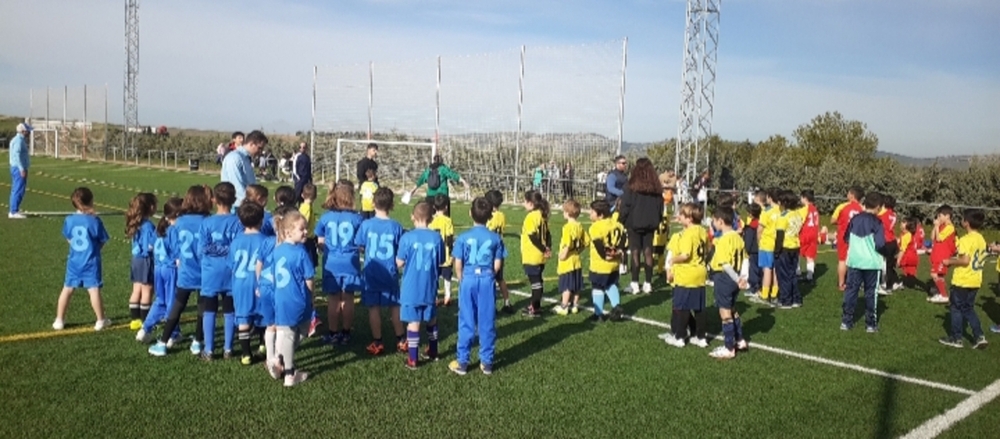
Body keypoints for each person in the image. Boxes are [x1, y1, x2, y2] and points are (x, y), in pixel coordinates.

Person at [148, 185, 212, 357]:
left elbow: (175, 246)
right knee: (202, 307)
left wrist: (179, 258)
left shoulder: (180, 222)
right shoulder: (208, 220)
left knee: (177, 306)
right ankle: (198, 342)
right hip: (205, 271)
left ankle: (163, 342)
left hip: (186, 271)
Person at [449, 197, 506, 376]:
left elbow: (457, 263)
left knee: (466, 320)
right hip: (487, 279)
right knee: (487, 320)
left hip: (468, 279)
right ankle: (487, 363)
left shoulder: (464, 237)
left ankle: (463, 362)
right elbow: (497, 265)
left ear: (469, 213)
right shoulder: (495, 238)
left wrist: (461, 278)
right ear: (490, 216)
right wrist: (489, 276)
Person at [52, 187, 112, 331]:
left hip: (74, 261)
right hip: (91, 261)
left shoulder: (69, 219)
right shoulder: (94, 221)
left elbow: (68, 237)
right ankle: (100, 320)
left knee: (67, 289)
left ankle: (59, 320)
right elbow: (103, 239)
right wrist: (95, 249)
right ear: (91, 201)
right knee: (93, 290)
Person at [355, 187, 406, 355]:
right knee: (394, 306)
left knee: (374, 308)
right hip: (390, 271)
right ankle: (401, 339)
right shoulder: (396, 226)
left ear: (372, 203)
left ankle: (378, 341)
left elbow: (360, 246)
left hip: (372, 272)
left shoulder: (366, 224)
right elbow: (401, 249)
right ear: (392, 205)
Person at [396, 202, 445, 369]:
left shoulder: (407, 237)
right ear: (431, 219)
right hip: (429, 285)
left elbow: (400, 262)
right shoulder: (437, 237)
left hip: (411, 287)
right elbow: (441, 260)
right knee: (431, 318)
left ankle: (413, 359)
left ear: (412, 217)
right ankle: (433, 351)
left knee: (413, 321)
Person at [317, 180, 364, 346]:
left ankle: (333, 332)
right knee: (348, 298)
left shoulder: (325, 217)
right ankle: (346, 333)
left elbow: (321, 242)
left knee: (333, 299)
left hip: (332, 263)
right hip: (350, 262)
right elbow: (361, 244)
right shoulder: (357, 219)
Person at [198, 182, 242, 360]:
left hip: (211, 272)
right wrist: (228, 250)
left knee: (210, 309)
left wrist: (217, 249)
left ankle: (209, 350)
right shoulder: (238, 223)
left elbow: (203, 248)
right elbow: (238, 247)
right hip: (231, 271)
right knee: (229, 309)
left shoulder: (207, 223)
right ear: (233, 199)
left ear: (214, 199)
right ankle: (228, 348)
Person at [271, 210, 314, 386]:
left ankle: (279, 358)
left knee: (300, 331)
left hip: (281, 298)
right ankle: (289, 374)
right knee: (292, 334)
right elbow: (309, 278)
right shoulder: (300, 252)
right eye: (301, 229)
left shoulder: (278, 250)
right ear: (288, 232)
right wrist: (311, 298)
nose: (305, 232)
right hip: (296, 299)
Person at [229, 202, 274, 365]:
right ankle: (263, 345)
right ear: (262, 220)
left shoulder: (236, 241)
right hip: (260, 283)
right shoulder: (266, 240)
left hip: (240, 285)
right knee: (263, 314)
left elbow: (232, 265)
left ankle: (246, 354)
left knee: (243, 318)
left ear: (240, 221)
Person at [938, 209, 988, 348]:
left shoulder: (966, 239)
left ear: (966, 222)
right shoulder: (981, 239)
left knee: (956, 308)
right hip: (975, 279)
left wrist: (950, 262)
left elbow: (965, 260)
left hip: (963, 280)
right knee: (968, 308)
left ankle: (956, 338)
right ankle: (979, 336)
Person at [137, 198, 183, 345]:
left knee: (160, 301)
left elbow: (150, 246)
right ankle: (173, 334)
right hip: (170, 270)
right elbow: (177, 255)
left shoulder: (159, 228)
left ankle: (145, 329)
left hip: (158, 269)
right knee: (172, 303)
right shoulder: (174, 231)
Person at [663, 203, 709, 348]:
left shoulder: (688, 234)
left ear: (689, 218)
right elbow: (708, 249)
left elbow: (685, 255)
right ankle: (701, 337)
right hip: (700, 273)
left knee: (682, 307)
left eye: (682, 215)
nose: (680, 218)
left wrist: (672, 260)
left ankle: (680, 337)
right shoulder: (702, 231)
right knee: (699, 308)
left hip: (687, 274)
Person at [708, 205, 750, 359]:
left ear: (720, 221)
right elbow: (745, 258)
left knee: (724, 312)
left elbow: (725, 263)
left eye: (714, 221)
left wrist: (738, 278)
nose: (713, 223)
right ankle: (740, 340)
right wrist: (743, 277)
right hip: (735, 278)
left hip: (725, 277)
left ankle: (729, 347)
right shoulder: (738, 237)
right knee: (732, 308)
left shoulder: (724, 240)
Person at [618, 157, 664, 295]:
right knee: (648, 252)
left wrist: (622, 219)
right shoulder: (656, 188)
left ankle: (635, 283)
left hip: (634, 223)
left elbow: (625, 206)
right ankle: (648, 283)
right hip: (651, 223)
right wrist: (658, 220)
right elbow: (660, 207)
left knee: (635, 252)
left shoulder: (630, 187)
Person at [840, 192, 885, 332]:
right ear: (878, 207)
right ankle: (870, 324)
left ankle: (846, 322)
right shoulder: (877, 222)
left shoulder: (854, 219)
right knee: (871, 293)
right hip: (871, 263)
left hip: (854, 261)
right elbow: (880, 244)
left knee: (851, 291)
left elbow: (846, 238)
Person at [587, 199, 626, 322]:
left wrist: (605, 256)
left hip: (600, 264)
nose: (590, 214)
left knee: (597, 287)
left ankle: (598, 314)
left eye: (592, 212)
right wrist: (618, 252)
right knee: (611, 284)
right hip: (614, 264)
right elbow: (624, 239)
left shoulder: (595, 227)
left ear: (601, 215)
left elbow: (599, 246)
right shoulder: (618, 225)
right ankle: (616, 306)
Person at [125, 193, 158, 331]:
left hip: (135, 260)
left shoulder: (135, 222)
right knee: (147, 290)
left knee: (136, 289)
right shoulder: (149, 226)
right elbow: (151, 245)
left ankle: (135, 320)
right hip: (145, 260)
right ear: (151, 207)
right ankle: (146, 322)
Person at [520, 190, 552, 317]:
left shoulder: (531, 216)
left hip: (532, 255)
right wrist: (548, 247)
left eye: (525, 201)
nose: (523, 204)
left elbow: (532, 236)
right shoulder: (542, 216)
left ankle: (534, 307)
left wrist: (544, 249)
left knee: (535, 283)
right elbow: (548, 234)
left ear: (531, 203)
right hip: (540, 256)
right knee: (538, 281)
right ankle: (536, 306)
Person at [554, 200, 588, 315]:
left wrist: (562, 255)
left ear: (568, 213)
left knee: (567, 285)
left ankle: (564, 306)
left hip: (568, 261)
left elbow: (567, 244)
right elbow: (586, 242)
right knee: (577, 285)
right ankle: (575, 305)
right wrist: (579, 251)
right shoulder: (580, 226)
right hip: (576, 259)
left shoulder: (567, 227)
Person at [221, 130, 266, 209]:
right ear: (251, 144)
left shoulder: (245, 158)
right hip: (238, 207)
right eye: (259, 148)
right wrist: (249, 205)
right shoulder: (235, 158)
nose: (261, 152)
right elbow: (236, 185)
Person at [485, 189, 513, 313]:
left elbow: (487, 232)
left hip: (490, 251)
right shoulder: (502, 215)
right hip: (500, 249)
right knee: (500, 278)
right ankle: (507, 302)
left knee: (490, 277)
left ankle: (492, 305)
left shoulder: (490, 217)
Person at [774, 190, 804, 309]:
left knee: (784, 275)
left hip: (785, 248)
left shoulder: (783, 216)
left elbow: (780, 235)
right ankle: (796, 298)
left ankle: (786, 300)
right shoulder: (797, 215)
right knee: (792, 274)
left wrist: (776, 251)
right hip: (795, 246)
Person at [752, 189, 780, 306]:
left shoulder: (766, 212)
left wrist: (759, 242)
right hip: (777, 243)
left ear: (769, 198)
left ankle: (764, 294)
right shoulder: (780, 211)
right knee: (775, 270)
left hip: (766, 243)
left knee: (767, 269)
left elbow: (760, 230)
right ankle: (774, 294)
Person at [834, 186, 865, 291]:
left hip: (844, 235)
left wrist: (842, 222)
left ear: (852, 195)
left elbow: (833, 220)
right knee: (857, 260)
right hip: (858, 236)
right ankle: (856, 282)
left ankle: (841, 284)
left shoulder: (842, 206)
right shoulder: (862, 208)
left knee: (842, 260)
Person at [429, 195, 456, 306]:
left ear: (434, 207)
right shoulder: (448, 221)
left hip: (434, 255)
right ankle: (447, 296)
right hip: (446, 254)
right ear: (446, 207)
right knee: (447, 277)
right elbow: (450, 238)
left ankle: (434, 297)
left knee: (434, 277)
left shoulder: (431, 221)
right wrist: (451, 252)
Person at [928, 205, 957, 304]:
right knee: (939, 276)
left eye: (940, 216)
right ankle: (940, 294)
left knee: (934, 274)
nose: (938, 218)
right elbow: (933, 237)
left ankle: (944, 296)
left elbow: (940, 238)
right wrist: (935, 226)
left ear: (947, 216)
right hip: (937, 254)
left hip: (943, 255)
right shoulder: (940, 226)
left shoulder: (950, 227)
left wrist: (936, 226)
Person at [8, 122, 32, 219]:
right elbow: (16, 156)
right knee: (18, 189)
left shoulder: (17, 140)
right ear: (23, 131)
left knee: (17, 189)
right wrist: (22, 169)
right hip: (18, 168)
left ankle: (14, 209)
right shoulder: (19, 141)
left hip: (16, 167)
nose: (28, 132)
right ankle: (13, 211)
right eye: (27, 131)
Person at [877, 194, 900, 293]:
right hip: (893, 241)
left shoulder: (882, 215)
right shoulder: (894, 214)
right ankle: (890, 285)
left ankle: (883, 283)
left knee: (882, 263)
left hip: (885, 241)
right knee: (890, 265)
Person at [798, 190, 820, 283]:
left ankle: (797, 272)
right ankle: (809, 276)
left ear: (805, 198)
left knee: (797, 253)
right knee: (810, 256)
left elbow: (799, 223)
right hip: (813, 234)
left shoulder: (803, 210)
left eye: (801, 197)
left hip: (805, 234)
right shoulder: (815, 210)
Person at [299, 183, 319, 268]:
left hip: (308, 238)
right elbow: (304, 223)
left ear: (302, 195)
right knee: (309, 263)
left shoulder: (304, 206)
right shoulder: (307, 208)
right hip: (307, 239)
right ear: (315, 197)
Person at [897, 217, 920, 289]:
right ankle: (910, 283)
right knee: (910, 272)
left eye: (904, 222)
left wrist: (898, 259)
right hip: (914, 256)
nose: (901, 223)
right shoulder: (909, 234)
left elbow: (902, 249)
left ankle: (899, 282)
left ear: (908, 225)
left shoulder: (906, 236)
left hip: (908, 257)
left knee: (906, 270)